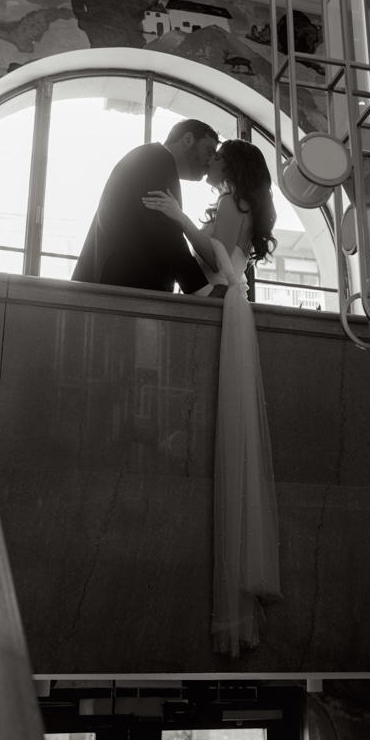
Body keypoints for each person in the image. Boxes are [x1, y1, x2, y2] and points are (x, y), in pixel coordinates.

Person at [142, 139, 282, 658]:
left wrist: (178, 216)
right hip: (232, 300)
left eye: (219, 156)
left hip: (221, 301)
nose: (213, 161)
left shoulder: (230, 202)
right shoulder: (246, 206)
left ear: (231, 165)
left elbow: (212, 257)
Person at [72, 119, 225, 296]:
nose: (210, 162)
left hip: (122, 287)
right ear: (188, 139)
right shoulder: (155, 160)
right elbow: (165, 231)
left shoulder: (154, 159)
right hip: (123, 289)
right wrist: (201, 289)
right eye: (209, 151)